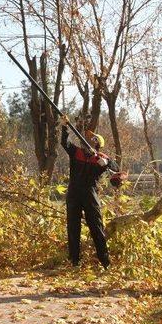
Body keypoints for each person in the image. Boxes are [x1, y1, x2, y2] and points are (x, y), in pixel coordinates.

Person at [60, 115, 119, 269]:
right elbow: (64, 143)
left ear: (98, 144)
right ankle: (74, 262)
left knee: (97, 227)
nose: (89, 140)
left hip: (90, 195)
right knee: (73, 227)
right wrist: (64, 127)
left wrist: (107, 163)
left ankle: (105, 262)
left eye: (93, 139)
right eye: (88, 138)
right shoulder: (76, 153)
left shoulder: (102, 159)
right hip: (73, 193)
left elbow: (117, 175)